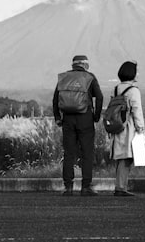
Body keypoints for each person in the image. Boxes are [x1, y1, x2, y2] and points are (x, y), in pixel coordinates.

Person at [53, 55, 104, 196]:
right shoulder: (89, 77)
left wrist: (58, 117)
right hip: (85, 119)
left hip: (68, 120)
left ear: (73, 65)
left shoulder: (64, 78)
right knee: (87, 153)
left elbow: (55, 99)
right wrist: (96, 116)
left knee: (69, 153)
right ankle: (85, 186)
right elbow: (99, 97)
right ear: (85, 65)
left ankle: (68, 187)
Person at [110, 61, 145, 197]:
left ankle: (120, 186)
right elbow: (137, 110)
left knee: (120, 157)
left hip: (117, 126)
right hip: (128, 127)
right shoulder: (133, 91)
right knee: (126, 157)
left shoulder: (116, 88)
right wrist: (140, 128)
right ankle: (120, 188)